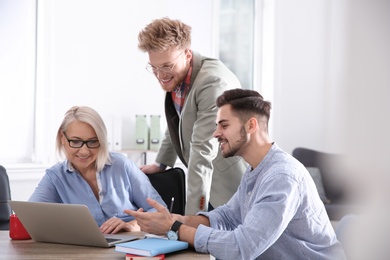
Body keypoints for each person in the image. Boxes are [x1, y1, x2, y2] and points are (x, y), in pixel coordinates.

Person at [125, 89, 346, 259]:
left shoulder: (282, 177)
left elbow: (242, 248)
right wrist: (175, 219)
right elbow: (228, 217)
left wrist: (174, 229)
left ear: (251, 126)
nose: (216, 133)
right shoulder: (256, 170)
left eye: (223, 125)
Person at [137, 17, 247, 214]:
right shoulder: (176, 75)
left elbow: (202, 151)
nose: (160, 75)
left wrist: (192, 218)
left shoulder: (212, 83)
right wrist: (161, 163)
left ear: (187, 55)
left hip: (229, 188)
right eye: (154, 67)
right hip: (205, 182)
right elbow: (178, 123)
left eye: (167, 66)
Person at [29, 106, 166, 234]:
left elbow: (161, 213)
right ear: (62, 138)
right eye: (75, 142)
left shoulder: (122, 166)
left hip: (129, 249)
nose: (84, 151)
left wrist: (132, 224)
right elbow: (29, 218)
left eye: (92, 142)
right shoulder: (55, 177)